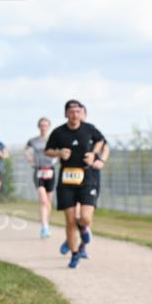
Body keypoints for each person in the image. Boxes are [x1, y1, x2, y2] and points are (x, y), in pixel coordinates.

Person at [46, 99, 106, 269]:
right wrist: (58, 153)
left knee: (85, 217)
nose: (75, 114)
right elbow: (47, 150)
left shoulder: (89, 129)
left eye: (78, 111)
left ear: (82, 113)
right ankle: (74, 254)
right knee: (70, 220)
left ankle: (84, 229)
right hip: (66, 179)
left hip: (86, 178)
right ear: (66, 114)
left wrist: (94, 154)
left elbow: (101, 141)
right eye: (71, 111)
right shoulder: (58, 132)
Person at [26, 117, 58, 238]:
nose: (43, 127)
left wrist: (56, 159)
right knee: (43, 200)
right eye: (41, 125)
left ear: (49, 126)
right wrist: (30, 159)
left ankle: (46, 224)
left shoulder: (54, 140)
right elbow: (26, 150)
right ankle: (44, 227)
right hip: (38, 171)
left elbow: (60, 151)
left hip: (50, 170)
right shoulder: (33, 141)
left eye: (45, 125)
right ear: (38, 127)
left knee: (48, 201)